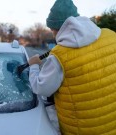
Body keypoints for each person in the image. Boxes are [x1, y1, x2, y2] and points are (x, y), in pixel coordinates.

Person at [28, 0, 116, 134]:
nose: (53, 34)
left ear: (58, 28)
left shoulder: (59, 56)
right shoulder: (111, 36)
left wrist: (34, 66)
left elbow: (41, 88)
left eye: (52, 30)